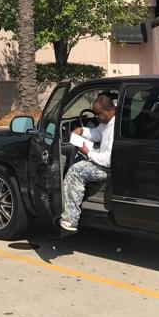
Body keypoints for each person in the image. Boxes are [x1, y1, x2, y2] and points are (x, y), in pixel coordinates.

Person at [60, 94, 116, 232]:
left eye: (99, 114)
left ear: (110, 110)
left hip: (110, 168)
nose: (96, 117)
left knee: (75, 171)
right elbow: (97, 133)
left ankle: (70, 219)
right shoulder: (107, 123)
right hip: (106, 162)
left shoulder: (114, 127)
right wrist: (82, 130)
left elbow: (108, 160)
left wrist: (88, 153)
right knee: (79, 154)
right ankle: (79, 193)